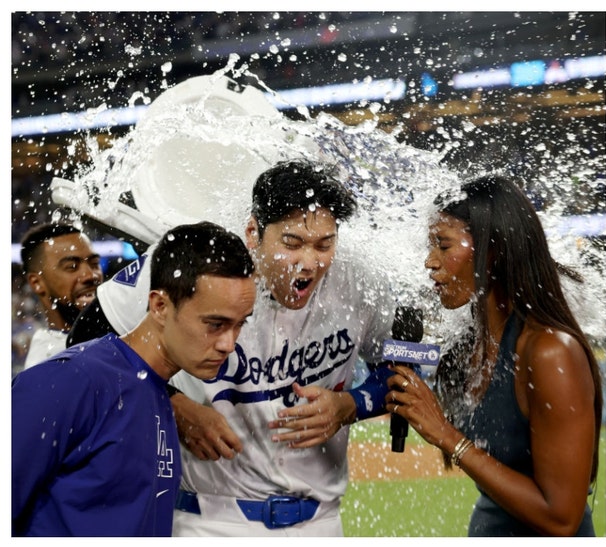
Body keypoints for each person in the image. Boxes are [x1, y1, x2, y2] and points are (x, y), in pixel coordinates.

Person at [68, 159, 398, 536]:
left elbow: (403, 365)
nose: (310, 261)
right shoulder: (200, 260)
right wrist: (171, 404)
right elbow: (85, 343)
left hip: (322, 521)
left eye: (325, 244)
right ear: (253, 232)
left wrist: (353, 404)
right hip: (208, 520)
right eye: (292, 243)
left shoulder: (361, 279)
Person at [384, 175, 603, 536]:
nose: (429, 262)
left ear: (494, 250)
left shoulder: (550, 353)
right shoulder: (471, 343)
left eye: (443, 245)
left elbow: (561, 517)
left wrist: (447, 436)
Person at [12, 221, 256, 536]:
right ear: (159, 306)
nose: (228, 343)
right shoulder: (70, 380)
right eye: (215, 323)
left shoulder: (157, 393)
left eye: (239, 325)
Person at [18, 221, 104, 368]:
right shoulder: (49, 367)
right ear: (37, 283)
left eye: (94, 263)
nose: (90, 275)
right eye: (72, 267)